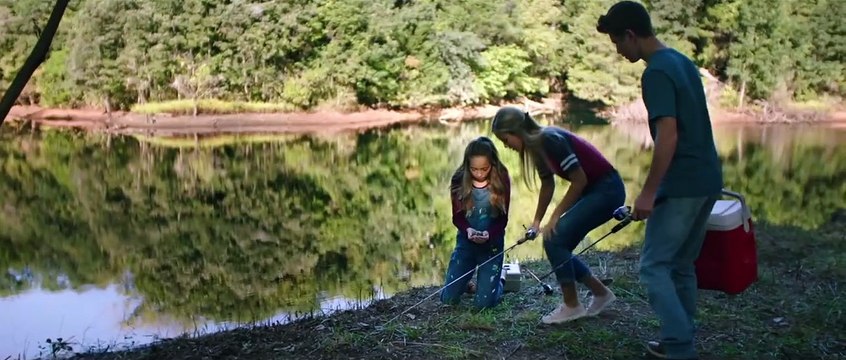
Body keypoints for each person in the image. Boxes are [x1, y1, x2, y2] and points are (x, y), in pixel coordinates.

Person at [597, 2, 724, 359]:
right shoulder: (682, 61)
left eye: (617, 43)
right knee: (681, 265)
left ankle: (680, 346)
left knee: (653, 267)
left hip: (682, 183)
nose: (619, 52)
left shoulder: (655, 72)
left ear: (631, 35)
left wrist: (648, 192)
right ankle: (679, 340)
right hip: (707, 178)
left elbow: (668, 135)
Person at [491, 107, 625, 324]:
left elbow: (579, 179)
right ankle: (601, 294)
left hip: (607, 190)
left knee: (555, 239)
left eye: (505, 139)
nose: (506, 145)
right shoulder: (537, 147)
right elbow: (547, 184)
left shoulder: (550, 139)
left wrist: (554, 217)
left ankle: (572, 305)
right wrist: (536, 222)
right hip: (594, 191)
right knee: (558, 244)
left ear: (517, 132)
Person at [440, 136, 512, 309]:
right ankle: (466, 281)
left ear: (492, 164)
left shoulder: (501, 178)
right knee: (448, 299)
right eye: (474, 169)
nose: (479, 173)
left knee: (483, 305)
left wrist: (488, 234)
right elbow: (457, 217)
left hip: (491, 245)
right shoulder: (459, 179)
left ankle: (499, 280)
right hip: (466, 243)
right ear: (467, 166)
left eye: (484, 169)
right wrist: (469, 231)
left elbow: (503, 218)